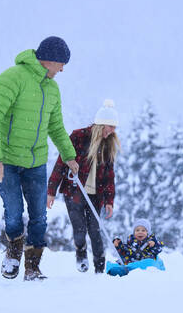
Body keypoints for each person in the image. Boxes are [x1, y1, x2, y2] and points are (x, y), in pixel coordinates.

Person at [0, 36, 79, 281]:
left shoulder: (52, 89)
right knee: (14, 213)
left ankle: (33, 267)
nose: (63, 70)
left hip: (36, 162)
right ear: (51, 60)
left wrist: (69, 156)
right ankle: (13, 254)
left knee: (39, 216)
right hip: (7, 161)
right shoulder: (13, 77)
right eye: (61, 64)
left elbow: (55, 126)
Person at [47, 99, 120, 274]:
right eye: (110, 126)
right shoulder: (78, 137)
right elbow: (60, 164)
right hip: (74, 192)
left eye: (114, 128)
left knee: (95, 231)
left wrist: (109, 201)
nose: (112, 131)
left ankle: (100, 268)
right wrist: (51, 191)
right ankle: (80, 253)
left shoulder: (108, 145)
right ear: (100, 124)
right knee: (79, 230)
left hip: (96, 195)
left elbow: (109, 176)